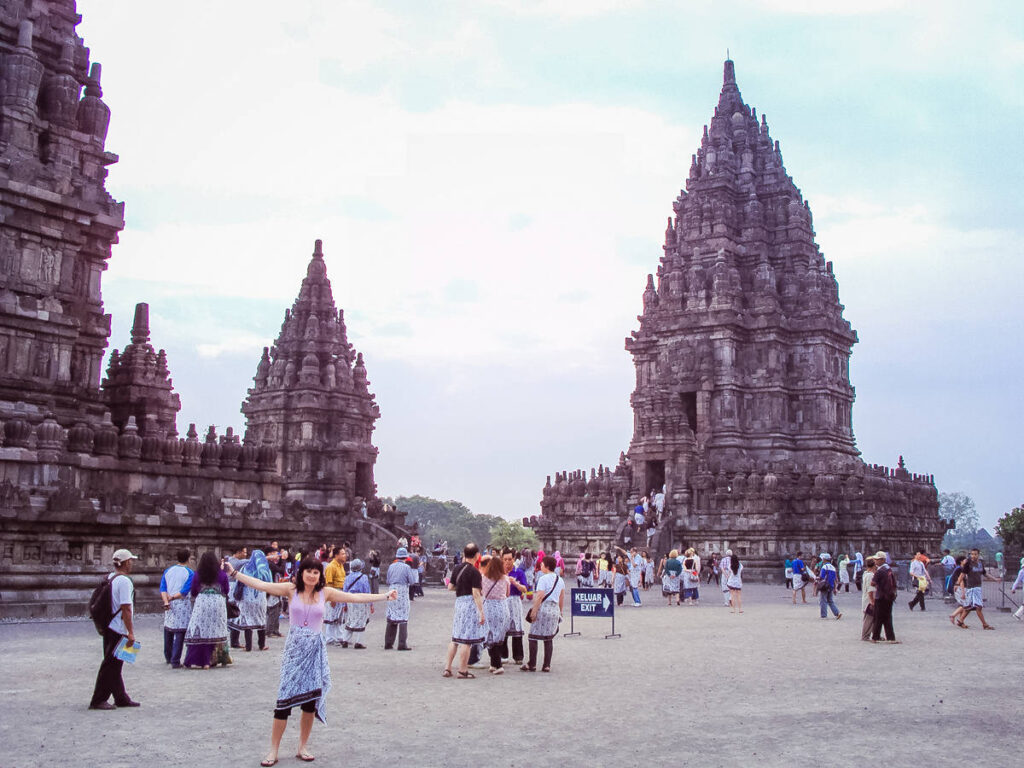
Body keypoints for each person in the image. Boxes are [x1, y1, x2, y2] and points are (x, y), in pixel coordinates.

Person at [225, 556, 395, 766]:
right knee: (282, 704)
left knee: (308, 704)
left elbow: (355, 597)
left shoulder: (326, 593)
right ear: (301, 572)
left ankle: (302, 746)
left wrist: (385, 596)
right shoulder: (290, 589)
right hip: (294, 653)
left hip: (314, 652)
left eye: (316, 572)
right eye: (309, 571)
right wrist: (234, 573)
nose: (312, 575)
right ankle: (273, 750)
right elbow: (261, 584)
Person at [89, 548, 140, 710]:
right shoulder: (125, 581)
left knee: (115, 663)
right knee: (111, 665)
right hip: (119, 627)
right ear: (125, 563)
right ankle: (98, 699)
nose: (132, 563)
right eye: (130, 560)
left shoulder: (109, 577)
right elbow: (126, 608)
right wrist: (130, 632)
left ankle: (120, 696)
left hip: (109, 624)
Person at [443, 543, 485, 678]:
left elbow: (450, 587)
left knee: (455, 638)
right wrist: (481, 612)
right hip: (469, 605)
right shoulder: (475, 572)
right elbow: (476, 593)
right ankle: (462, 670)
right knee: (467, 640)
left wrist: (461, 587)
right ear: (477, 555)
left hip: (459, 603)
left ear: (464, 554)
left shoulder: (457, 568)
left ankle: (447, 668)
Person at [183, 551, 231, 669]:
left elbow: (194, 590)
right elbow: (227, 589)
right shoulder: (222, 575)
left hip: (202, 602)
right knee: (216, 630)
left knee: (200, 630)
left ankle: (201, 660)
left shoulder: (198, 574)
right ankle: (214, 658)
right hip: (218, 603)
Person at [522, 555, 564, 673]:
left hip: (544, 609)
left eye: (542, 564)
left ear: (546, 566)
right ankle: (546, 665)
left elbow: (539, 596)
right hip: (554, 609)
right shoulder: (560, 580)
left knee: (533, 636)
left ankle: (532, 663)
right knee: (548, 638)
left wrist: (534, 611)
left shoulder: (543, 579)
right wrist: (560, 612)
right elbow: (561, 597)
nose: (540, 565)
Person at [229, 550, 272, 652]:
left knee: (248, 621)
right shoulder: (265, 570)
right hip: (260, 598)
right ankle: (262, 645)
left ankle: (248, 646)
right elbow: (270, 585)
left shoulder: (245, 568)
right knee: (261, 620)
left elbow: (239, 582)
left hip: (246, 598)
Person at [160, 548, 193, 669]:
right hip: (181, 603)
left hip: (168, 602)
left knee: (168, 629)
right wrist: (173, 598)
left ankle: (168, 656)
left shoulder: (168, 571)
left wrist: (166, 600)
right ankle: (175, 659)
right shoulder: (190, 573)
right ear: (188, 558)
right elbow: (185, 591)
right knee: (180, 631)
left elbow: (163, 588)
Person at [480, 553, 511, 674]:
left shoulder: (483, 578)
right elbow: (508, 594)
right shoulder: (505, 579)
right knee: (499, 636)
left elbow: (482, 592)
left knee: (490, 635)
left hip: (489, 608)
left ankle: (497, 665)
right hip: (502, 607)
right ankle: (494, 664)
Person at [384, 547, 415, 650]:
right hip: (402, 590)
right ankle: (402, 644)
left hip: (392, 589)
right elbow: (412, 581)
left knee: (391, 616)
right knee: (403, 617)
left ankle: (388, 643)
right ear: (405, 557)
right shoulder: (406, 567)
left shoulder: (391, 566)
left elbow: (387, 580)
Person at [961, 548, 998, 630]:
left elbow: (985, 573)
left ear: (978, 555)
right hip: (971, 588)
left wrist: (995, 579)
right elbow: (962, 575)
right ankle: (985, 624)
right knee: (978, 607)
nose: (973, 556)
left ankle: (960, 620)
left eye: (975, 554)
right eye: (972, 554)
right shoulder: (968, 564)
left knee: (969, 607)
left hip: (977, 587)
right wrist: (958, 586)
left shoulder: (980, 563)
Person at [502, 550, 528, 666]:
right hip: (502, 601)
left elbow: (525, 589)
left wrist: (516, 584)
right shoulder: (499, 573)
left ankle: (518, 656)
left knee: (516, 628)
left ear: (513, 559)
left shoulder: (519, 572)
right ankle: (503, 655)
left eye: (509, 559)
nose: (507, 562)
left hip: (515, 601)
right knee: (503, 628)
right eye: (505, 559)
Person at [339, 559, 372, 648]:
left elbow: (344, 591)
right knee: (362, 620)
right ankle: (358, 642)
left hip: (350, 600)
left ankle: (345, 639)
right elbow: (367, 591)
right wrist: (371, 604)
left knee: (350, 619)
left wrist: (344, 604)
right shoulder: (364, 577)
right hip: (360, 599)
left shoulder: (347, 577)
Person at [870, 550, 899, 643]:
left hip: (881, 596)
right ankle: (890, 637)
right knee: (887, 617)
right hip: (889, 596)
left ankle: (875, 637)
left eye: (877, 559)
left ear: (882, 560)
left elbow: (873, 583)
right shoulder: (889, 569)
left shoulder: (880, 571)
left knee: (878, 617)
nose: (875, 561)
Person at [323, 547, 347, 645]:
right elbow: (329, 583)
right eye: (342, 553)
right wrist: (331, 598)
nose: (345, 555)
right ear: (336, 555)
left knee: (339, 615)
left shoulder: (341, 565)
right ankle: (330, 638)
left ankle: (339, 637)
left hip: (340, 590)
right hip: (333, 591)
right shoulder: (331, 566)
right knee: (331, 615)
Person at [265, 548, 285, 638]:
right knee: (273, 610)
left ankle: (275, 630)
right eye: (273, 553)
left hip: (275, 588)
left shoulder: (271, 563)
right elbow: (281, 570)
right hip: (271, 589)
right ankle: (269, 631)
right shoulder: (269, 564)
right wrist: (283, 559)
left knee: (277, 609)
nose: (276, 555)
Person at [817, 553, 842, 620]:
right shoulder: (833, 567)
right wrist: (834, 588)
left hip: (824, 585)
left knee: (823, 600)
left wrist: (816, 578)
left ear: (824, 559)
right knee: (830, 601)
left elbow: (821, 577)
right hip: (831, 586)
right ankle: (837, 613)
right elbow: (834, 579)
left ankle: (823, 615)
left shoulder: (824, 567)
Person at [860, 557, 877, 641]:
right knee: (869, 619)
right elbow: (870, 590)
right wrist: (872, 601)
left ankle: (875, 634)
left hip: (866, 599)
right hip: (869, 600)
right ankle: (865, 636)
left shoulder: (866, 573)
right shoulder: (870, 575)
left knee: (872, 618)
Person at [1010, 556, 1024, 621]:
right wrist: (1013, 588)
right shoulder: (1022, 572)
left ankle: (1017, 615)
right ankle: (1017, 614)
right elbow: (1017, 580)